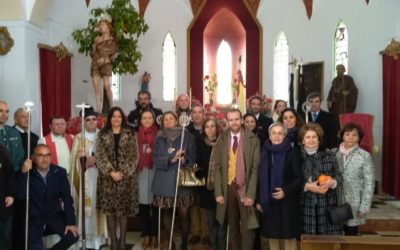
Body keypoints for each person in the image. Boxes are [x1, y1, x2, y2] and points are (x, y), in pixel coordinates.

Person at [17, 144, 79, 250]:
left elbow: (67, 198)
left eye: (48, 155)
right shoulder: (27, 173)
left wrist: (70, 222)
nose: (45, 159)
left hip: (54, 216)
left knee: (73, 236)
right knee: (34, 247)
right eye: (40, 155)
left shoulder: (60, 172)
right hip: (34, 219)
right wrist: (23, 172)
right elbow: (20, 195)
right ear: (33, 158)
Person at [214, 109, 260, 250]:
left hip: (245, 187)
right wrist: (218, 192)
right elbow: (218, 168)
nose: (234, 122)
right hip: (228, 187)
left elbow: (254, 169)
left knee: (247, 227)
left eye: (236, 119)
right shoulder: (221, 140)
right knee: (232, 225)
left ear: (241, 120)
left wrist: (251, 195)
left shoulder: (253, 140)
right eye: (231, 120)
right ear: (226, 122)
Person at [152, 111, 196, 250]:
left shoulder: (186, 135)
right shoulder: (158, 137)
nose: (168, 121)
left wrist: (185, 159)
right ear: (162, 122)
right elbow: (156, 159)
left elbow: (193, 156)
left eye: (171, 119)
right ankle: (171, 242)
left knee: (184, 213)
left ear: (177, 120)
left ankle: (184, 243)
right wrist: (171, 158)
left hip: (181, 179)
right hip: (164, 180)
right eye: (165, 119)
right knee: (166, 212)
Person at [96, 107, 139, 250]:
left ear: (122, 118)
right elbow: (100, 156)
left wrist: (123, 172)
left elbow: (134, 156)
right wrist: (110, 172)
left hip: (126, 179)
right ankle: (114, 241)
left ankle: (122, 241)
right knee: (110, 211)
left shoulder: (130, 133)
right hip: (108, 180)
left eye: (119, 116)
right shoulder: (102, 134)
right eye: (113, 116)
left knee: (123, 211)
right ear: (109, 118)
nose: (116, 119)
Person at [257, 123, 302, 250]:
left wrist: (285, 191)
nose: (277, 136)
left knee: (289, 238)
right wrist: (259, 199)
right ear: (269, 136)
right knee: (273, 237)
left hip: (287, 201)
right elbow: (258, 178)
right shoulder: (263, 152)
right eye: (274, 133)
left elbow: (298, 178)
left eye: (280, 133)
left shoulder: (292, 153)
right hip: (269, 201)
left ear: (285, 136)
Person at [70, 107, 106, 249]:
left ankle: (99, 238)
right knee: (86, 206)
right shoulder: (79, 138)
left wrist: (96, 160)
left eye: (93, 119)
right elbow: (73, 162)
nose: (91, 122)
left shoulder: (103, 136)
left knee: (99, 204)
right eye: (88, 119)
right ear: (84, 122)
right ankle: (86, 237)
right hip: (85, 177)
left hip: (100, 177)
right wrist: (81, 160)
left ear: (97, 121)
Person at [299, 123, 342, 235]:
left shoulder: (329, 155)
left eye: (314, 137)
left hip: (327, 203)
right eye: (307, 137)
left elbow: (339, 176)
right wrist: (307, 186)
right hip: (305, 205)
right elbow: (292, 179)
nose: (311, 140)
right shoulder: (296, 156)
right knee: (308, 241)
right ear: (302, 140)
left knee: (326, 241)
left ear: (319, 140)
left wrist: (332, 182)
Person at [334, 123, 375, 236]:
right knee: (335, 234)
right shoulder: (334, 153)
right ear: (342, 136)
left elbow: (369, 184)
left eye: (354, 135)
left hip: (354, 203)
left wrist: (365, 206)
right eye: (347, 134)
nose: (351, 137)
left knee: (350, 234)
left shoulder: (364, 156)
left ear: (359, 138)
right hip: (336, 201)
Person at [187, 104, 209, 246]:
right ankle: (195, 232)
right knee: (194, 202)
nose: (196, 115)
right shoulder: (186, 130)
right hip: (191, 169)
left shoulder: (209, 128)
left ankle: (206, 233)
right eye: (194, 112)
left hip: (206, 170)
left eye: (199, 112)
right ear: (191, 115)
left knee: (205, 202)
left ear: (203, 114)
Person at [137, 110, 158, 250]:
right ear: (140, 120)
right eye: (144, 118)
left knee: (155, 206)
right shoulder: (135, 135)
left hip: (156, 171)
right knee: (143, 206)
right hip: (141, 173)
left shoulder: (159, 134)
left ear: (154, 119)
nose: (147, 120)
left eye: (150, 117)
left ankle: (155, 235)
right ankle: (146, 235)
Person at [90, 14, 119, 113]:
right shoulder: (97, 39)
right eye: (100, 25)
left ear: (108, 26)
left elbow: (114, 54)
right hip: (95, 64)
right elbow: (92, 53)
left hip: (106, 64)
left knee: (107, 86)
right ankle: (98, 111)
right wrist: (94, 46)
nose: (101, 27)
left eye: (103, 25)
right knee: (97, 89)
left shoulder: (112, 40)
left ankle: (112, 107)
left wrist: (106, 58)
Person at [0, 100, 24, 171]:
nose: (4, 114)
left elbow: (20, 156)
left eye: (7, 111)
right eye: (0, 111)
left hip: (14, 175)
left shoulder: (14, 132)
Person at [0, 145, 16, 250]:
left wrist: (10, 194)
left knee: (5, 237)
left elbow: (10, 174)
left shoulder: (2, 150)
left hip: (3, 203)